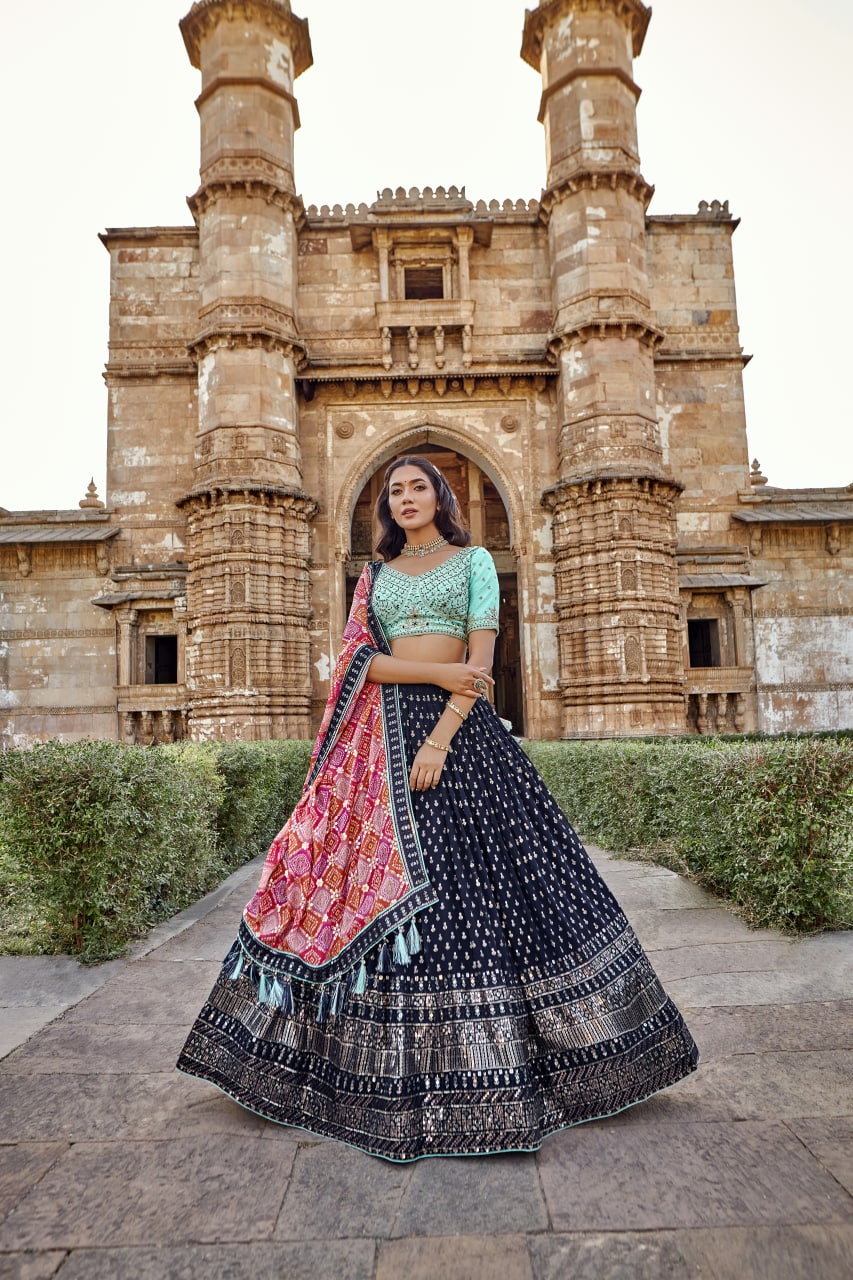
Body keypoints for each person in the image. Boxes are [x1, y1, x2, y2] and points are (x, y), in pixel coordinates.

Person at [177, 455, 698, 1161]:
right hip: (383, 738)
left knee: (500, 886)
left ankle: (527, 1066)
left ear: (439, 497)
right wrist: (436, 672)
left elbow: (479, 665)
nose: (405, 498)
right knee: (375, 888)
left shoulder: (474, 561)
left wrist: (440, 736)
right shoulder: (376, 575)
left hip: (460, 735)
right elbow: (358, 662)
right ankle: (379, 1073)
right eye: (394, 491)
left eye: (417, 487)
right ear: (385, 506)